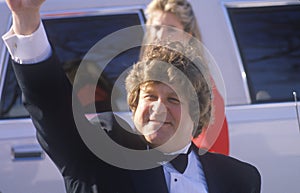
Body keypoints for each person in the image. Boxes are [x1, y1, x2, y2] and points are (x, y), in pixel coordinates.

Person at [2, 0, 261, 192]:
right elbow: (52, 107)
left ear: (197, 114)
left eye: (173, 99)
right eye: (150, 96)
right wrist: (27, 22)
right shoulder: (100, 154)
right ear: (134, 106)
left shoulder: (239, 179)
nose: (159, 109)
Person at [143, 0, 230, 155]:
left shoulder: (201, 84)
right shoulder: (142, 77)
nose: (160, 36)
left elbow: (213, 150)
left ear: (188, 36)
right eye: (156, 28)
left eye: (171, 30)